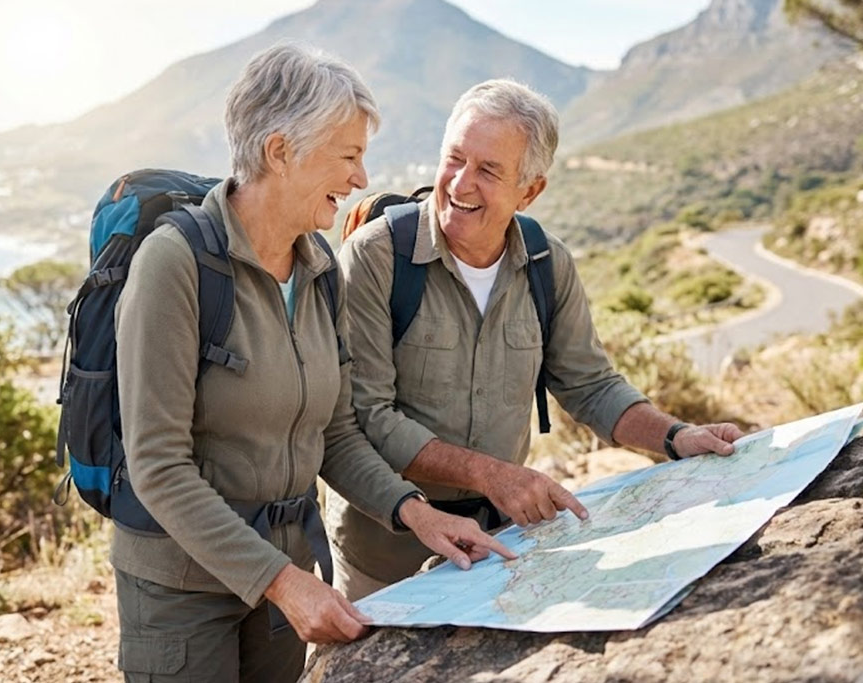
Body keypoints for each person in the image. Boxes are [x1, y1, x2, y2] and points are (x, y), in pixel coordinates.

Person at [112, 44, 514, 683]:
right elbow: (158, 466)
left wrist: (418, 513)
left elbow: (337, 433)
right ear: (279, 151)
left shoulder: (320, 268)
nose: (361, 179)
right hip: (183, 592)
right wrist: (282, 582)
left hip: (286, 570)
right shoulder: (174, 265)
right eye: (348, 156)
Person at [327, 78, 745, 601]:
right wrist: (493, 476)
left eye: (488, 170)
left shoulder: (548, 264)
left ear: (530, 191)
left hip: (498, 542)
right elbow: (369, 415)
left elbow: (591, 386)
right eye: (454, 159)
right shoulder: (375, 258)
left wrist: (676, 436)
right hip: (384, 551)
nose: (460, 184)